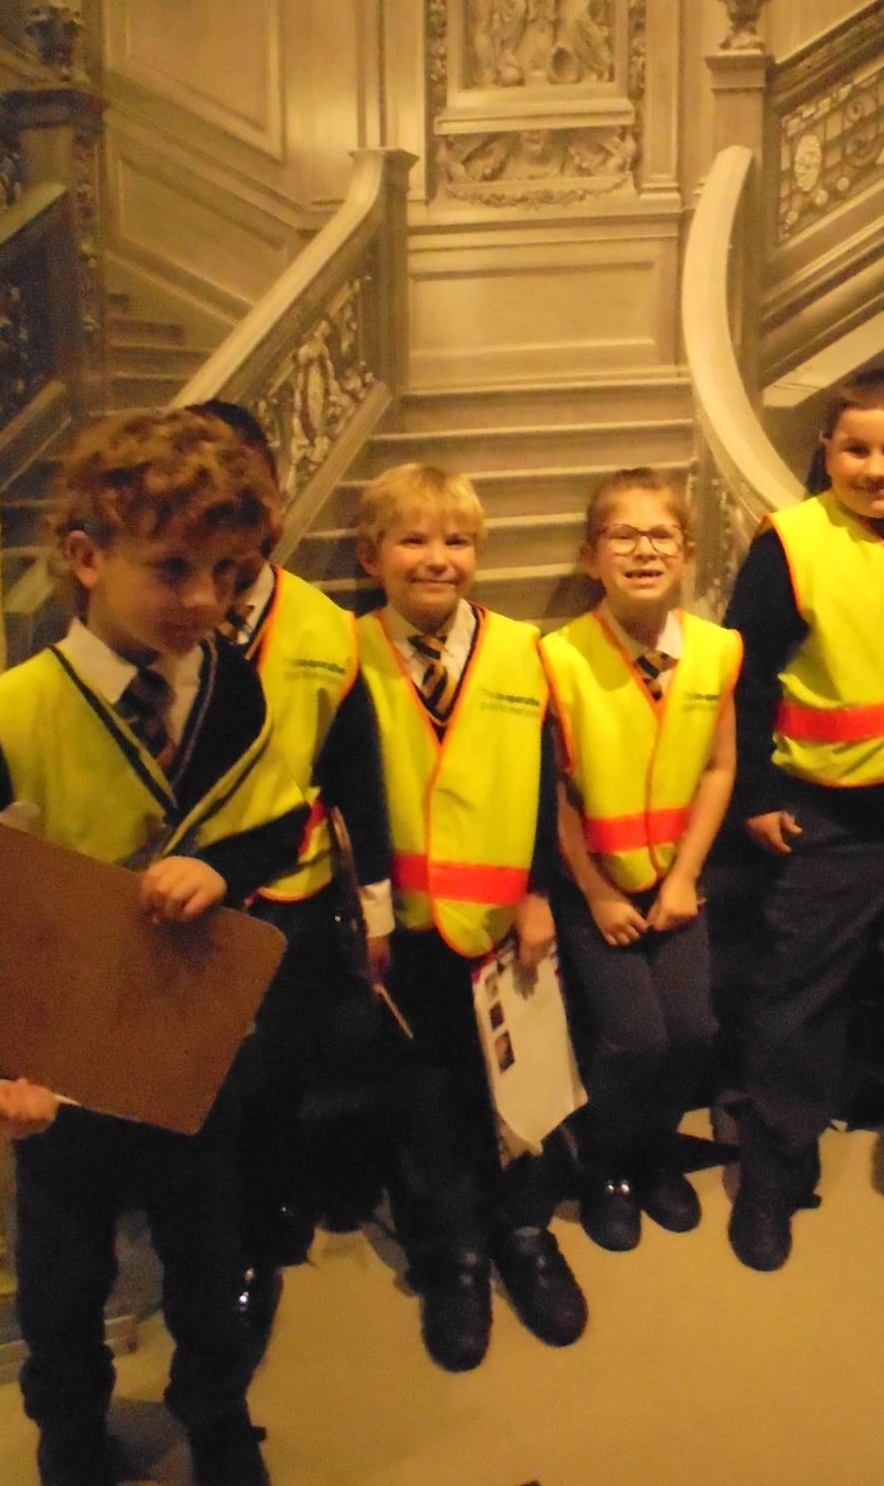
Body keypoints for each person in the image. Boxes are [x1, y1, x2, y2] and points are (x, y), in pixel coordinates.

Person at [0, 408, 303, 1486]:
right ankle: (70, 1436)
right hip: (62, 1063)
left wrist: (224, 869)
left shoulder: (234, 686)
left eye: (228, 574)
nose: (205, 601)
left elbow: (281, 821)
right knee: (61, 1285)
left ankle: (218, 1416)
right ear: (87, 558)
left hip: (193, 1044)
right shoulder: (8, 714)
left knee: (208, 1258)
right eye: (174, 570)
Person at [723, 366, 884, 1272]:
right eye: (856, 449)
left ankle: (848, 1091)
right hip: (821, 813)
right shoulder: (793, 545)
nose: (876, 468)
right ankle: (772, 1170)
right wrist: (756, 795)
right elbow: (744, 679)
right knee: (798, 998)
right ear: (826, 452)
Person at [353, 462, 587, 1372]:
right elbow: (349, 798)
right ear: (372, 555)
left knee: (525, 1084)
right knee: (427, 1097)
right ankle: (449, 1254)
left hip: (505, 923)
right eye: (412, 540)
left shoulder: (523, 650)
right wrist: (369, 918)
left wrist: (537, 894)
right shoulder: (350, 653)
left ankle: (525, 1232)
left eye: (456, 541)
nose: (436, 559)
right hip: (405, 931)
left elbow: (540, 785)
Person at [188, 401, 393, 1343]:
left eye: (250, 486)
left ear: (274, 499)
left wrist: (377, 909)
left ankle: (266, 1222)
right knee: (200, 1085)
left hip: (295, 901)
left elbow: (357, 774)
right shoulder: (154, 615)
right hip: (181, 908)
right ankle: (209, 1240)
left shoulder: (326, 626)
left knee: (279, 1074)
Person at [540, 470, 739, 1251]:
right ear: (590, 557)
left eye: (661, 535)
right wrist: (595, 892)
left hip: (676, 886)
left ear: (686, 552)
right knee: (634, 1039)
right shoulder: (558, 658)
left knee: (692, 1032)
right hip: (597, 889)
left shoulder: (717, 651)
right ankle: (607, 1165)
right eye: (622, 535)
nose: (643, 550)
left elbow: (719, 766)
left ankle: (657, 1151)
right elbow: (555, 793)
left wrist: (685, 876)